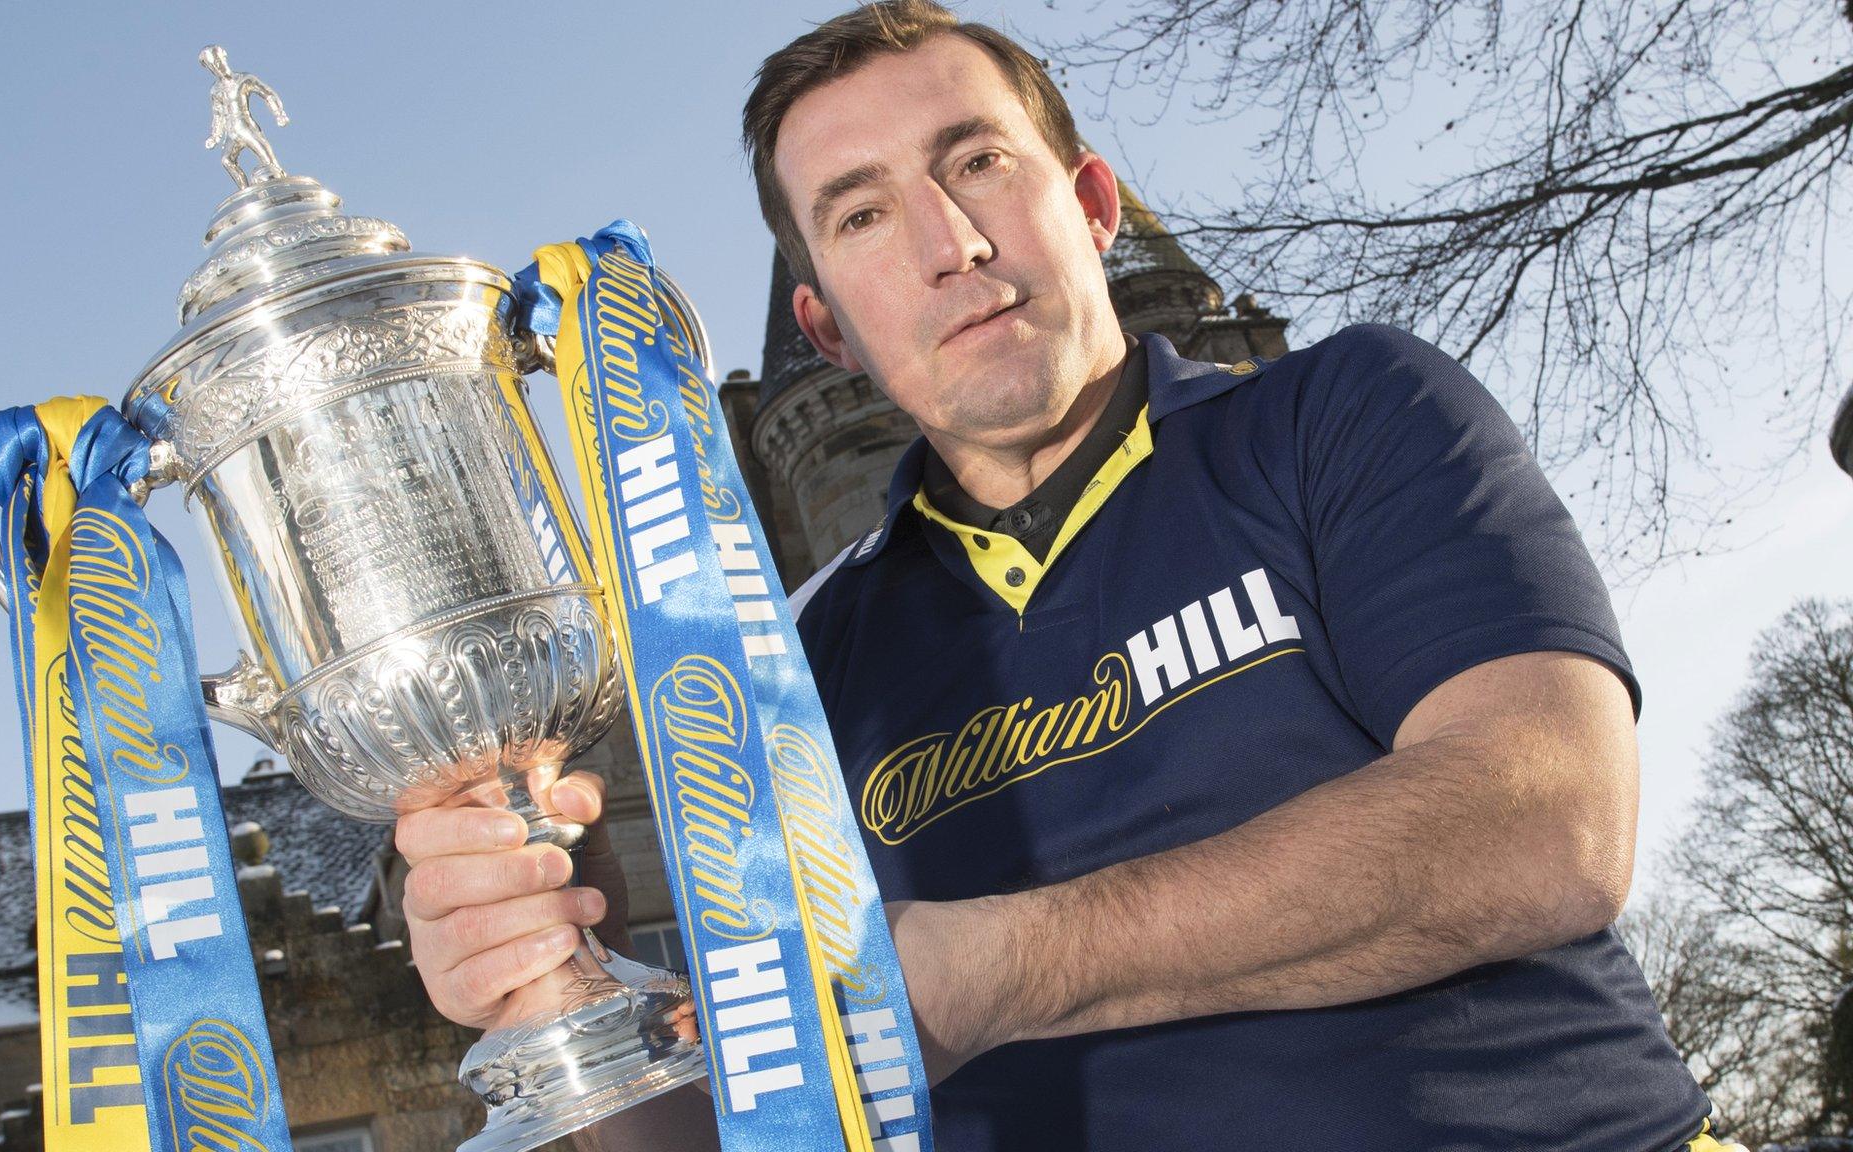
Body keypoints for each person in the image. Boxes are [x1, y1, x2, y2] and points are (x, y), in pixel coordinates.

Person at [395, 3, 1731, 1148]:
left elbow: (1546, 822)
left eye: (975, 163)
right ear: (827, 335)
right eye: (861, 215)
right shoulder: (785, 666)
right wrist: (554, 991)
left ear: (1091, 207)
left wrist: (997, 971)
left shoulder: (1338, 415)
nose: (949, 244)